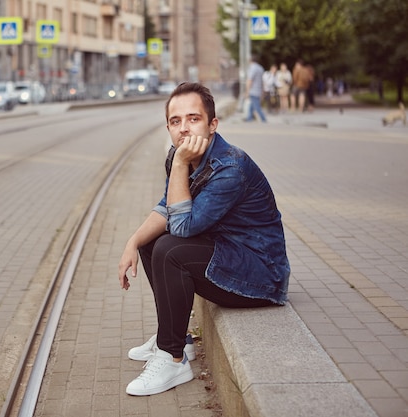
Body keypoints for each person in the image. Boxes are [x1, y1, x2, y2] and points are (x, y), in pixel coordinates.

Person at [118, 82, 290, 396]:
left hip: (261, 277)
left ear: (213, 125)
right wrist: (132, 241)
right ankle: (173, 337)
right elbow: (166, 209)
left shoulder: (229, 168)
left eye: (193, 119)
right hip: (229, 253)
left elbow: (181, 227)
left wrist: (181, 164)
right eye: (175, 121)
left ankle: (172, 358)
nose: (184, 129)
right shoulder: (181, 155)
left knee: (171, 249)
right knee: (151, 240)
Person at [243, 54, 267, 122]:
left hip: (253, 90)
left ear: (251, 60)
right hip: (258, 89)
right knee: (252, 104)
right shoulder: (260, 68)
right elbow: (262, 81)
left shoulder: (252, 68)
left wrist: (247, 91)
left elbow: (250, 80)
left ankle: (263, 119)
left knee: (256, 106)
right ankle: (249, 118)